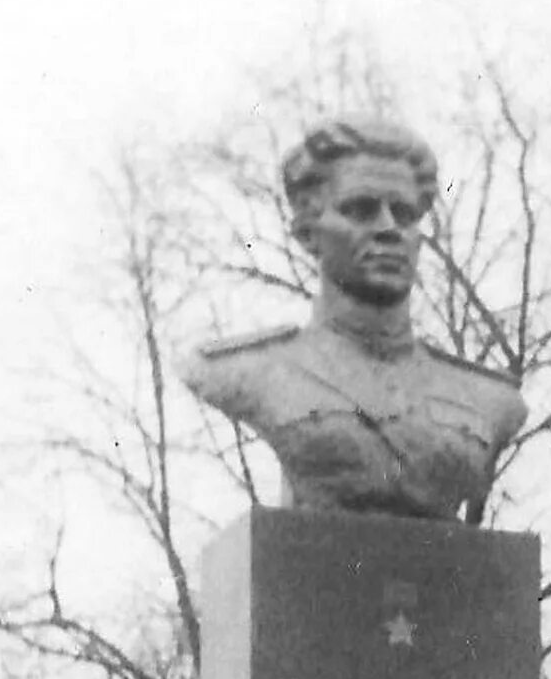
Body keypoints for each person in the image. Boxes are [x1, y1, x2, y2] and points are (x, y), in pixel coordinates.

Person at [185, 118, 528, 523]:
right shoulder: (244, 370)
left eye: (404, 214)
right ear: (309, 232)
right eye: (361, 210)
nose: (388, 229)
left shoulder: (490, 400)